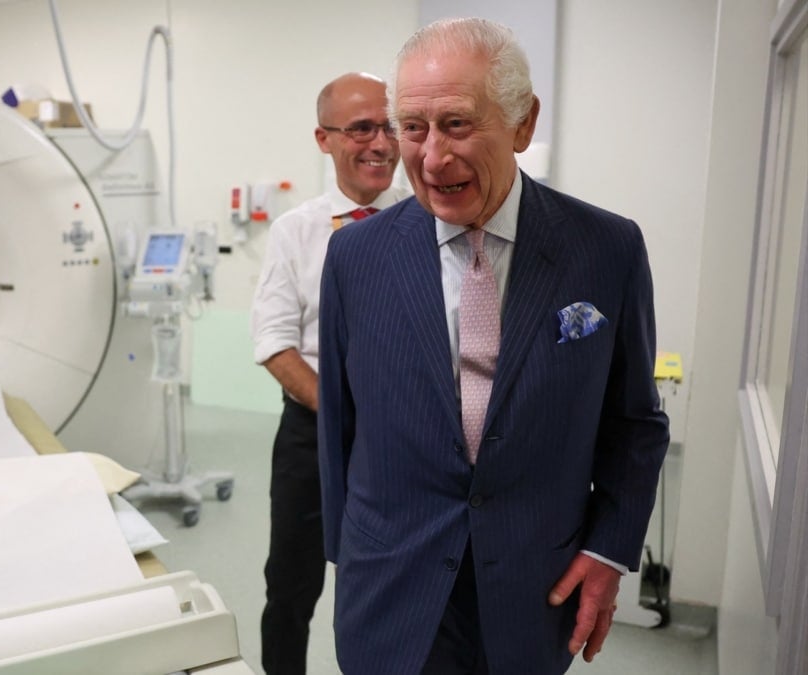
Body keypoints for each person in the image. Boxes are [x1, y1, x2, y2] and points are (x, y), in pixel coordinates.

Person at [317, 18, 670, 674]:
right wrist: (349, 556)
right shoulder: (354, 255)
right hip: (390, 589)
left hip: (535, 589)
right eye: (412, 127)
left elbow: (635, 424)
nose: (430, 158)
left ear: (523, 124)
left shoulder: (606, 249)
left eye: (456, 124)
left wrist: (609, 549)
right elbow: (339, 424)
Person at [251, 71, 406, 674]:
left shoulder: (427, 223)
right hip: (312, 434)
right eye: (362, 128)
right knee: (289, 586)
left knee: (392, 584)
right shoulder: (296, 231)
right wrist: (342, 410)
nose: (381, 143)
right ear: (325, 139)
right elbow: (273, 341)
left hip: (401, 438)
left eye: (391, 126)